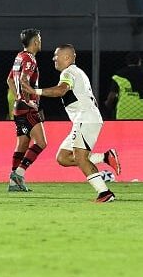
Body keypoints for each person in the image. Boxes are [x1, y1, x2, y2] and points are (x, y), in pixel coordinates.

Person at [41, 44, 120, 203]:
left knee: (80, 157)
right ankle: (104, 157)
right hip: (84, 119)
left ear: (67, 57)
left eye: (56, 56)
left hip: (86, 119)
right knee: (62, 158)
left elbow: (61, 91)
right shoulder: (76, 72)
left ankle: (104, 192)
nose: (53, 58)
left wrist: (35, 91)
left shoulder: (68, 72)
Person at [6, 28, 48, 192]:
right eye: (39, 38)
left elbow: (9, 80)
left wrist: (17, 97)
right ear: (35, 41)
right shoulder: (30, 59)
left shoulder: (19, 57)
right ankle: (19, 173)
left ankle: (13, 183)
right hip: (27, 107)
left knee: (22, 144)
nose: (40, 42)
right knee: (41, 142)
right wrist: (27, 100)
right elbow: (23, 80)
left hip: (18, 108)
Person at [105, 52, 143, 119]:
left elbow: (111, 96)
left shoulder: (118, 76)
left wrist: (108, 105)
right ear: (139, 62)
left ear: (127, 62)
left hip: (123, 114)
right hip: (141, 114)